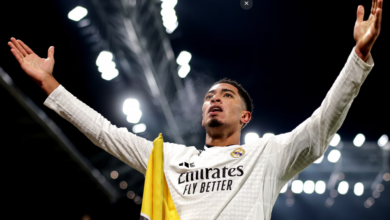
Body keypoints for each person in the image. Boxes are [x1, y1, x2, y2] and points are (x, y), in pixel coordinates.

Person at [7, 0, 383, 219]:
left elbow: (322, 125)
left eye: (226, 95)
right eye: (209, 97)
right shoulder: (169, 157)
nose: (214, 99)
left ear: (245, 117)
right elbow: (105, 133)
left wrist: (359, 56)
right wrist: (50, 85)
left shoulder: (269, 155)